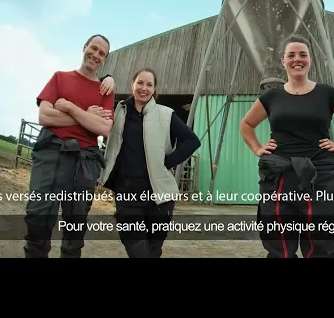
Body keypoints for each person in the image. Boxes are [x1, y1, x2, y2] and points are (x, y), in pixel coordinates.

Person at [240, 34, 334, 258]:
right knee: (279, 243)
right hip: (279, 176)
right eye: (291, 55)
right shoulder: (271, 97)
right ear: (283, 61)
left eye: (302, 54)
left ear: (310, 59)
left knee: (320, 243)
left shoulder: (327, 93)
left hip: (321, 174)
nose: (297, 59)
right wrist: (258, 149)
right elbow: (246, 125)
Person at [23, 34, 116, 258]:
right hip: (51, 154)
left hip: (84, 162)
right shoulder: (60, 78)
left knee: (75, 230)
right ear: (84, 47)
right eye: (93, 48)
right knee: (38, 218)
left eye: (102, 53)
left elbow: (104, 128)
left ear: (105, 59)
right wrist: (86, 116)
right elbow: (45, 116)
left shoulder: (105, 90)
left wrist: (71, 108)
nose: (96, 55)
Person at [99, 67, 201, 258]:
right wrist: (108, 78)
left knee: (153, 251)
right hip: (127, 193)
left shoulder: (166, 114)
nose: (144, 88)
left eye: (149, 84)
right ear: (132, 84)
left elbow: (192, 141)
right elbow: (95, 94)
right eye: (140, 83)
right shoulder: (119, 110)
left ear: (154, 89)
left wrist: (168, 161)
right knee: (137, 250)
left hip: (159, 198)